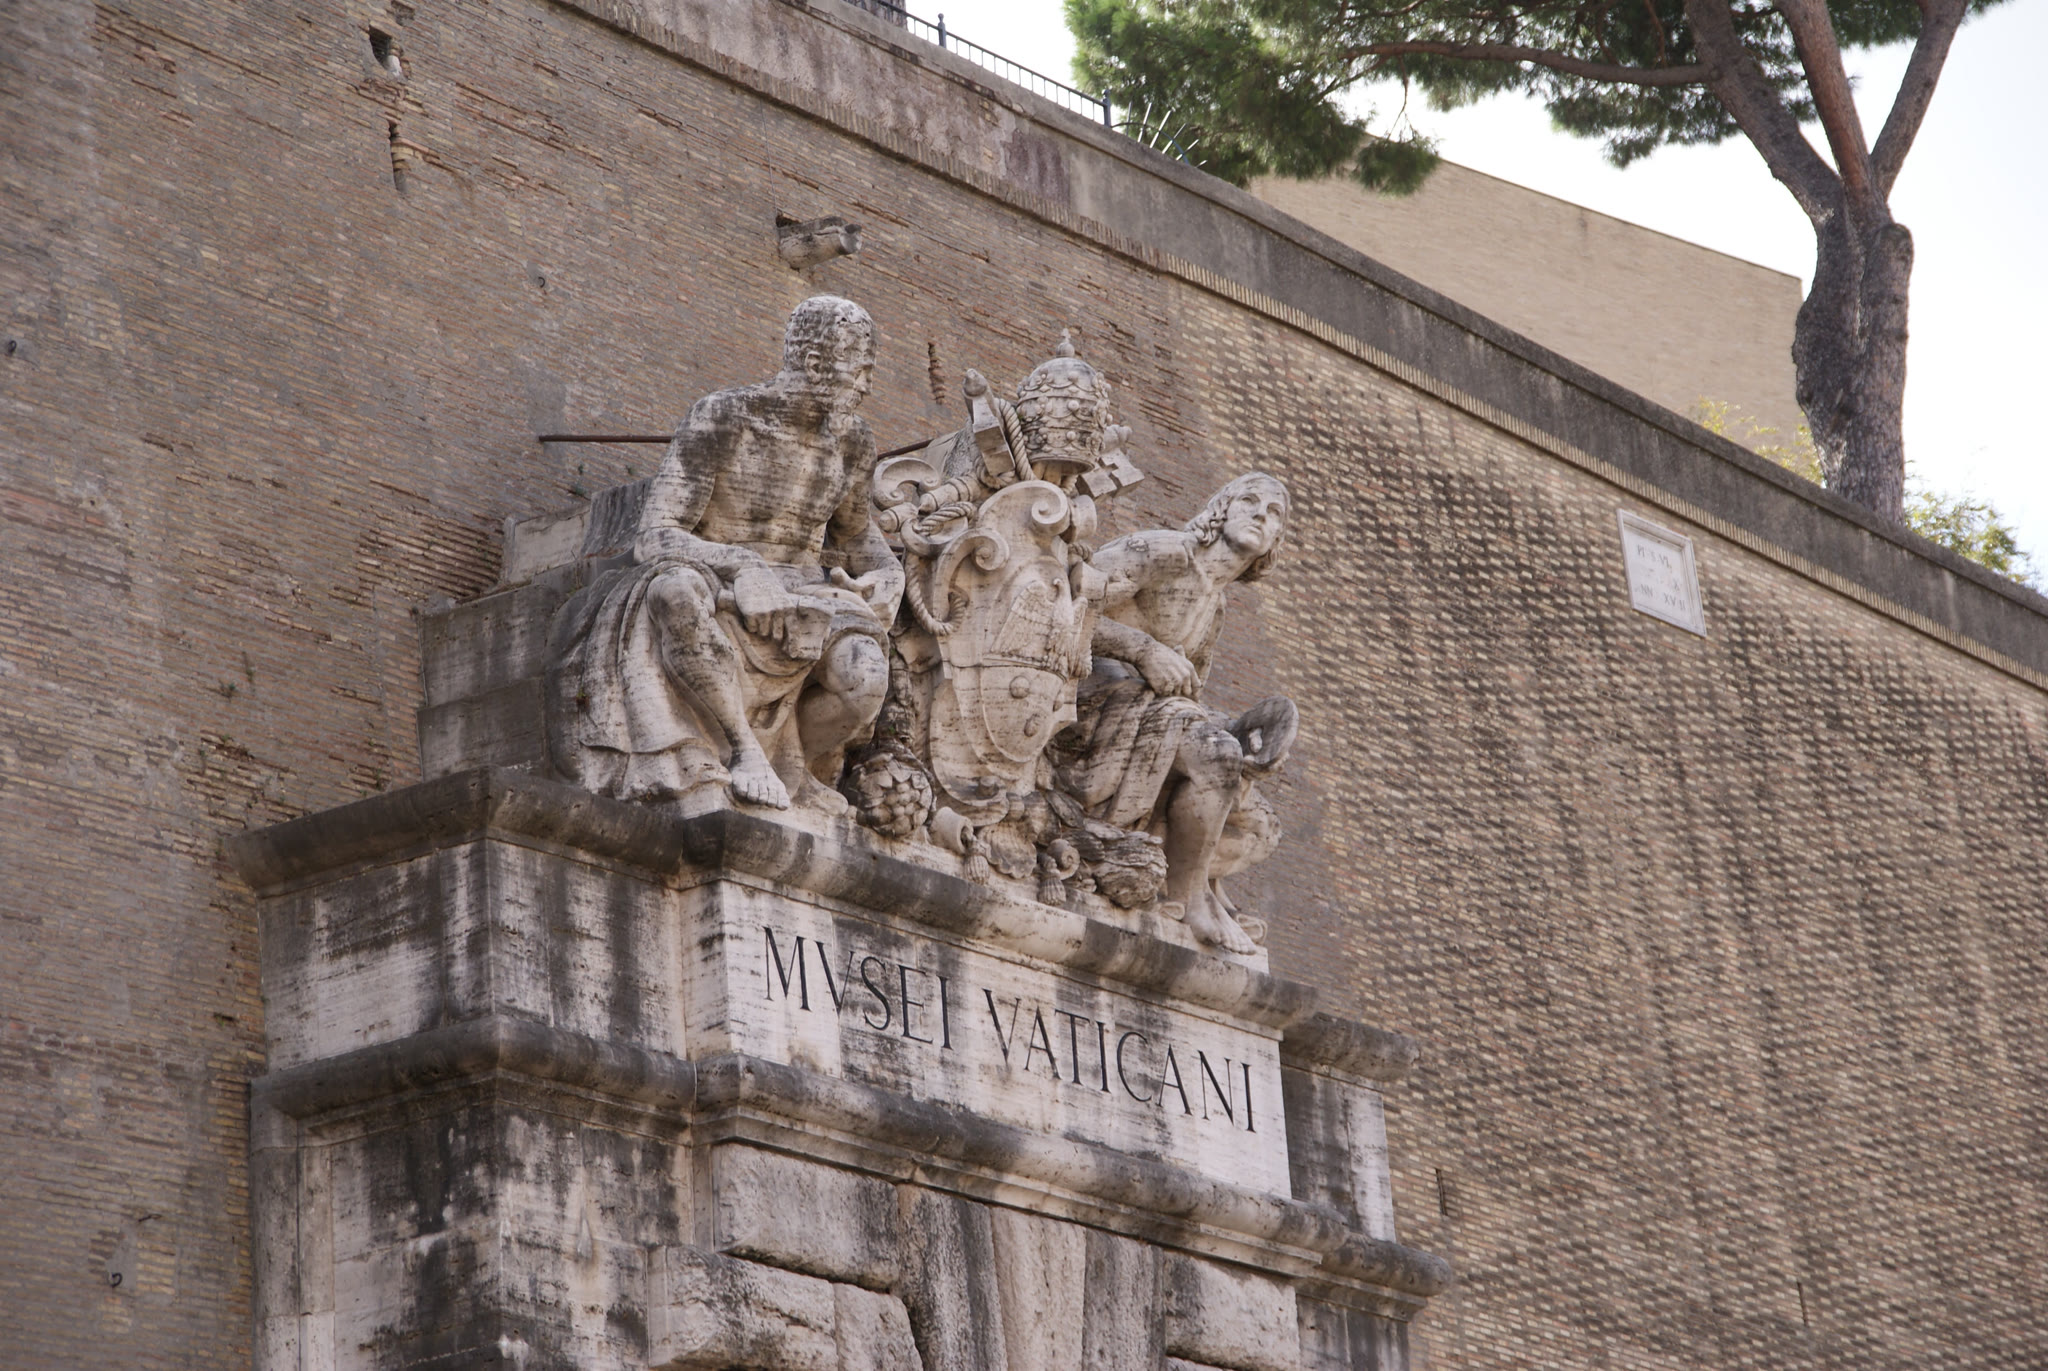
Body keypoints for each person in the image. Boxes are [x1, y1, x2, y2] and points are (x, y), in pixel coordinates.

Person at [546, 296, 904, 812]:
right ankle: (744, 751)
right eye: (860, 370)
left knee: (865, 679)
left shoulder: (853, 441)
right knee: (673, 591)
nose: (867, 386)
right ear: (814, 363)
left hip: (808, 594)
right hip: (723, 581)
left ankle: (796, 768)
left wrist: (889, 575)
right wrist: (744, 565)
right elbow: (656, 534)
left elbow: (857, 533)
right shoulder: (724, 418)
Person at [1049, 473, 1296, 953]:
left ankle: (1180, 877)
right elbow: (1064, 599)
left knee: (1260, 826)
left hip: (1147, 716)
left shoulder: (1215, 607)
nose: (1259, 515)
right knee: (1217, 756)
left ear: (1274, 542)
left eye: (1273, 514)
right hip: (1086, 700)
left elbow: (1187, 698)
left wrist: (1245, 738)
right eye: (1248, 501)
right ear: (1220, 510)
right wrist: (1143, 650)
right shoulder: (1165, 552)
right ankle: (1189, 900)